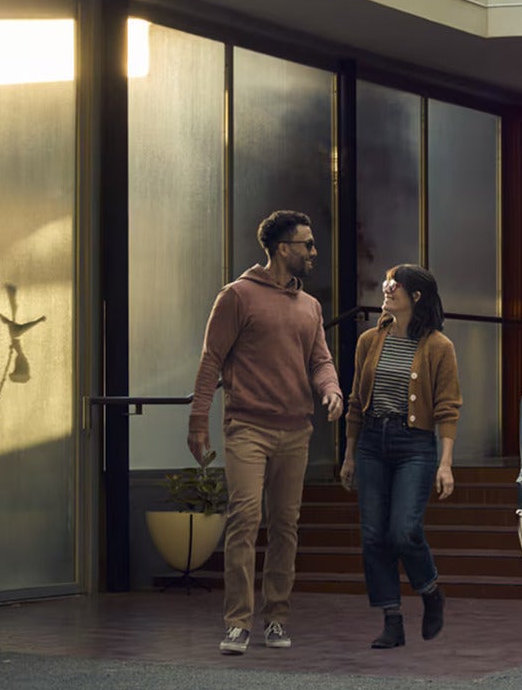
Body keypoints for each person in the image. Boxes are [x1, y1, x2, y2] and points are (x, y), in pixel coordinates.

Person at [190, 210, 343, 655]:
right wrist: (198, 421)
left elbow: (320, 360)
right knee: (244, 519)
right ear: (282, 248)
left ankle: (276, 618)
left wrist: (331, 389)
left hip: (295, 431)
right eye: (307, 244)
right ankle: (238, 622)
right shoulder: (237, 296)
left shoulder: (310, 306)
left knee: (285, 526)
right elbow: (211, 359)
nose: (314, 252)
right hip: (247, 428)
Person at [340, 264, 459, 649]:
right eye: (386, 283)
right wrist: (349, 455)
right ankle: (392, 620)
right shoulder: (369, 341)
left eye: (396, 285)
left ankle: (430, 591)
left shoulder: (440, 347)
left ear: (416, 296)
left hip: (415, 446)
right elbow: (356, 402)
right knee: (374, 535)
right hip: (372, 443)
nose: (387, 289)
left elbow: (447, 408)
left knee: (404, 531)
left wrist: (445, 464)